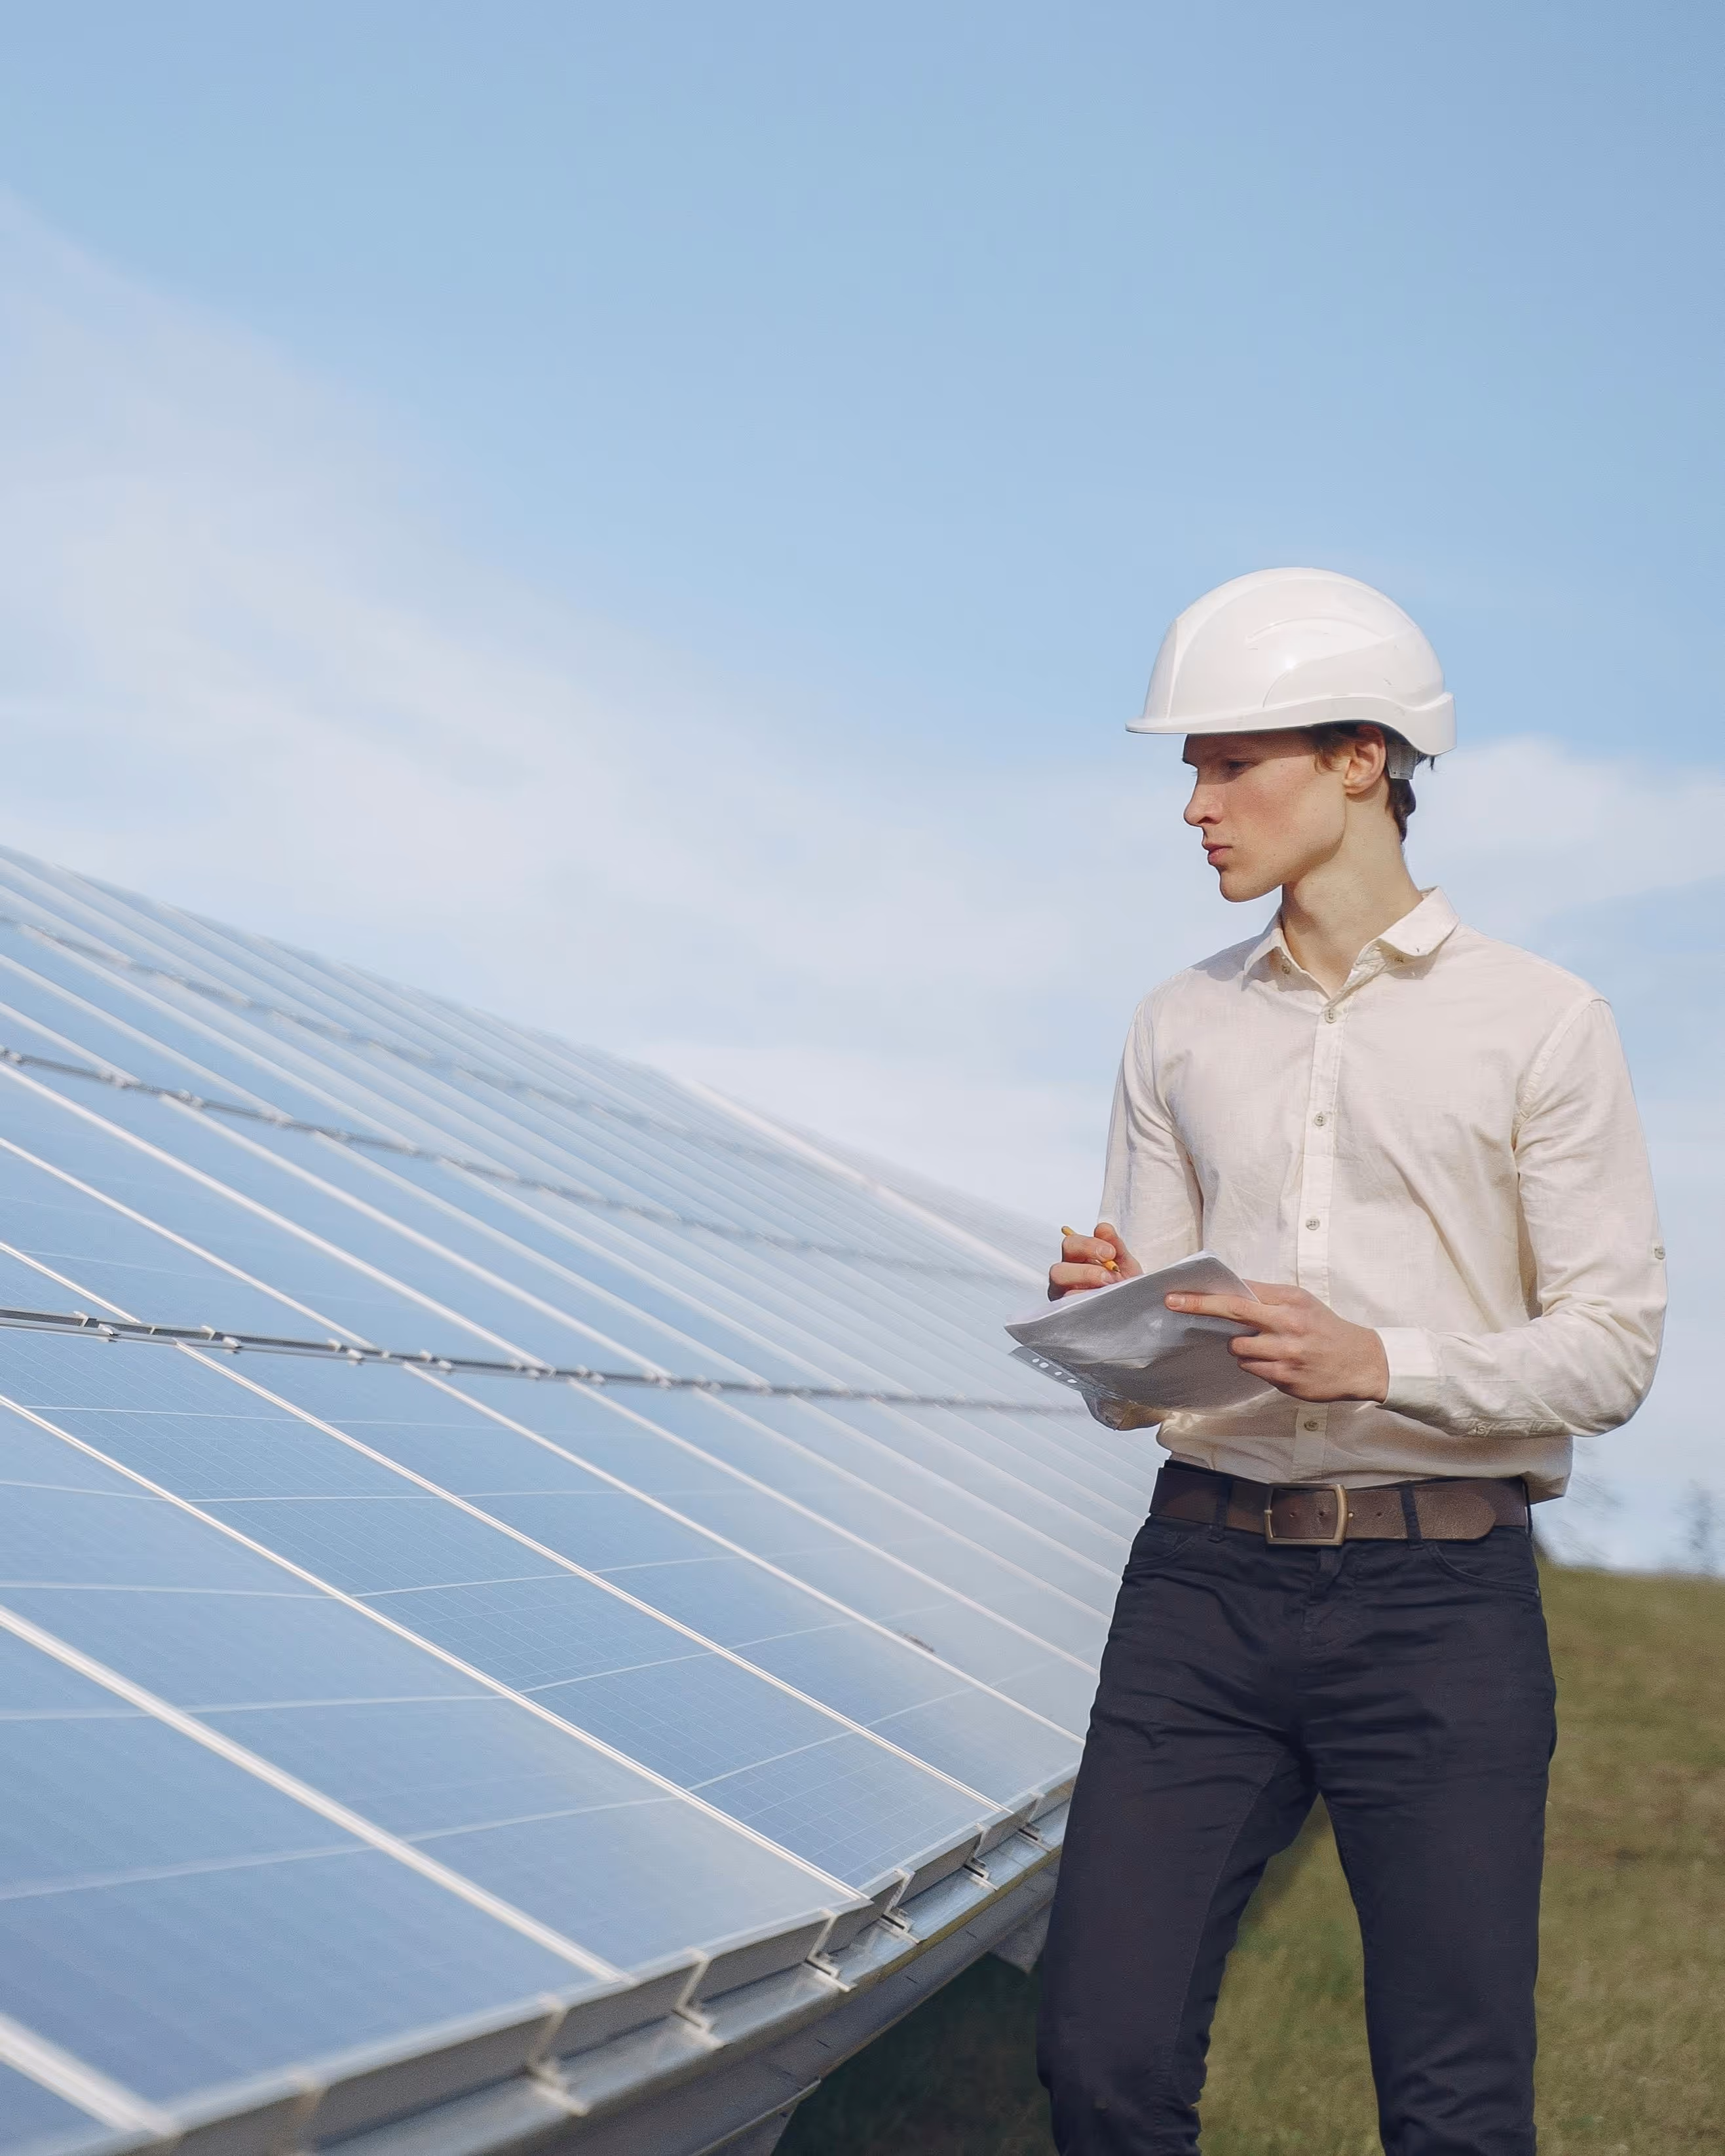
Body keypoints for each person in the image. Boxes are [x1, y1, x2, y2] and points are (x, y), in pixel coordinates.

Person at [1034, 568, 1666, 2156]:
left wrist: (1378, 1359)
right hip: (1197, 1588)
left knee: (1452, 2109)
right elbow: (1144, 1392)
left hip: (1437, 1607)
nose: (1193, 803)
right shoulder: (1173, 1025)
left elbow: (1609, 1347)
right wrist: (1119, 1325)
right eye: (1187, 766)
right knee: (1099, 2062)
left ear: (1360, 761)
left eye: (1230, 761)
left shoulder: (1539, 1023)